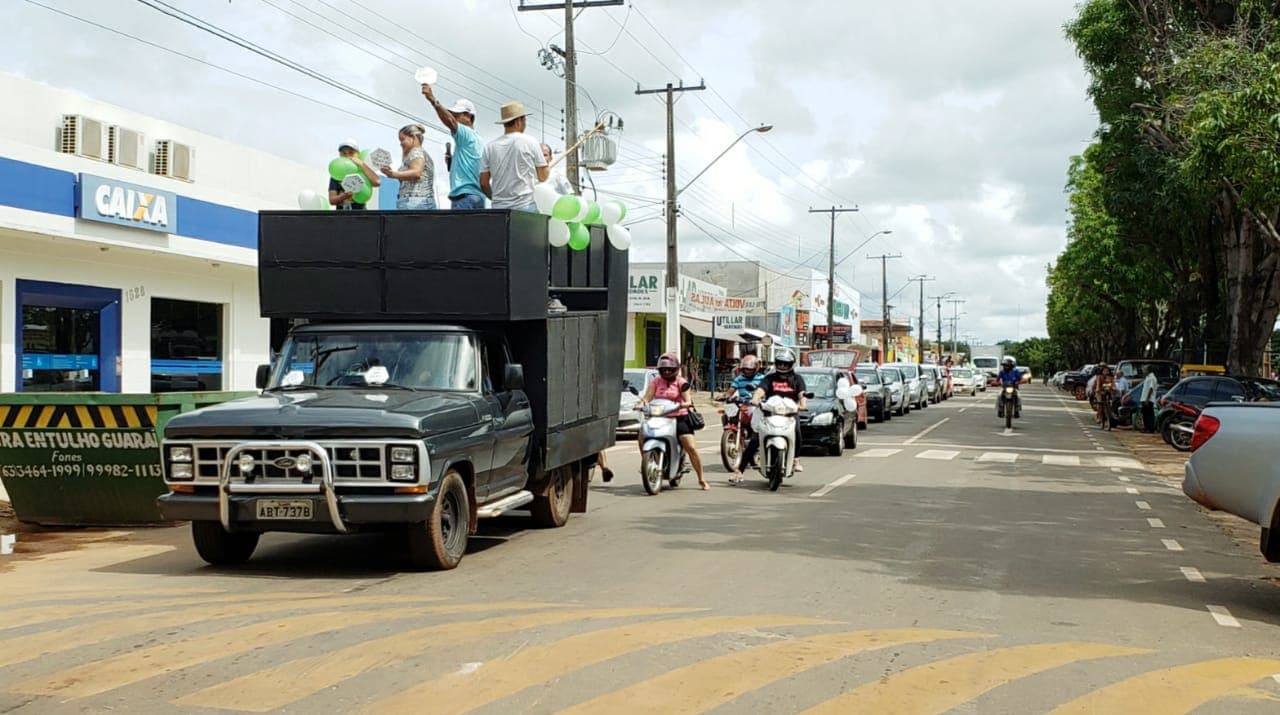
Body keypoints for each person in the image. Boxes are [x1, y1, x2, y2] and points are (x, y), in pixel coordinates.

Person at [637, 352, 709, 490]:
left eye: (670, 369)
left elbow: (687, 399)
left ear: (676, 369)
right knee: (642, 437)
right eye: (664, 370)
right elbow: (647, 397)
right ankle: (648, 462)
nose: (667, 372)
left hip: (679, 417)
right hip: (659, 417)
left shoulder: (681, 382)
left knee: (690, 446)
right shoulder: (656, 381)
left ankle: (701, 478)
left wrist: (685, 404)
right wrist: (641, 404)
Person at [736, 348, 808, 481]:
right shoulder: (769, 378)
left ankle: (796, 460)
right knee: (755, 439)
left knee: (797, 431)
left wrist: (802, 404)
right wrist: (755, 399)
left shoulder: (797, 379)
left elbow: (802, 394)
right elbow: (760, 389)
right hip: (769, 413)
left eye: (785, 364)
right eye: (780, 363)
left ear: (791, 364)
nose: (782, 366)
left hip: (789, 414)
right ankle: (739, 471)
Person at [420, 85, 486, 209]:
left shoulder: (466, 133)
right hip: (477, 196)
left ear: (469, 117)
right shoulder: (478, 140)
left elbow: (450, 122)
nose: (453, 118)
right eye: (453, 115)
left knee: (459, 229)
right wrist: (452, 161)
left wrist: (433, 100)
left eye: (456, 115)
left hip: (464, 197)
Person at [480, 101, 548, 211]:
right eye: (524, 120)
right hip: (525, 206)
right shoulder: (530, 142)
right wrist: (546, 168)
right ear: (518, 121)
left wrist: (495, 199)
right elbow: (543, 177)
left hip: (498, 209)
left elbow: (483, 183)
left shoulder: (489, 147)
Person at [722, 355, 765, 485]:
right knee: (726, 415)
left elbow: (765, 392)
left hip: (756, 407)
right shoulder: (739, 379)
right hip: (742, 405)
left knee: (756, 428)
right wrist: (725, 396)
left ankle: (752, 446)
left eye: (750, 369)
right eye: (745, 369)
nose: (747, 371)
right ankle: (734, 436)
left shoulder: (762, 379)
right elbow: (730, 391)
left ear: (756, 368)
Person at [381, 124, 436, 210]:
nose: (401, 144)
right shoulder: (420, 153)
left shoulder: (416, 152)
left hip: (415, 202)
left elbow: (416, 173)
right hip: (417, 201)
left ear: (413, 138)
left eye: (402, 139)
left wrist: (393, 174)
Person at [328, 138, 381, 210]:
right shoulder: (336, 174)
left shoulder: (363, 170)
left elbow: (377, 182)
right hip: (341, 216)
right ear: (340, 155)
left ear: (358, 154)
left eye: (351, 153)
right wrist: (344, 196)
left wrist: (362, 164)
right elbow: (332, 200)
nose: (347, 156)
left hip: (361, 215)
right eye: (344, 153)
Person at [1140, 366, 1159, 433]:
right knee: (1145, 414)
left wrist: (1147, 399)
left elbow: (1151, 389)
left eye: (1144, 370)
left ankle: (1150, 428)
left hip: (1148, 399)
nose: (1143, 371)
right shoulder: (1147, 377)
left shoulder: (1152, 378)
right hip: (1144, 398)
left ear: (1148, 370)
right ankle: (1146, 427)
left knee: (1149, 415)